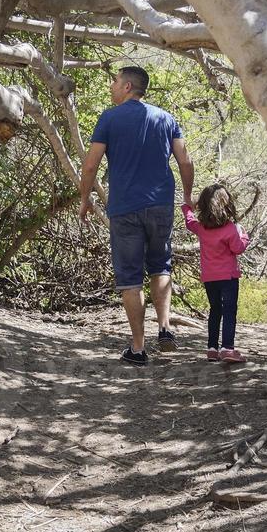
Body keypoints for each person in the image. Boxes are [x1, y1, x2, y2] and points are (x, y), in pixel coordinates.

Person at [79, 66, 194, 365]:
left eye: (115, 81)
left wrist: (85, 199)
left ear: (128, 86)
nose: (111, 85)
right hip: (160, 205)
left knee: (130, 278)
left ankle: (139, 347)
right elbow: (185, 161)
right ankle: (165, 328)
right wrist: (187, 196)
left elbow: (90, 166)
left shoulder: (109, 118)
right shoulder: (166, 118)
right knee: (161, 266)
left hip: (125, 208)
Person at [182, 183, 250, 364]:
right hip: (228, 277)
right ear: (227, 205)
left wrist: (187, 207)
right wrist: (245, 236)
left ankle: (212, 348)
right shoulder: (230, 229)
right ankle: (227, 348)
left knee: (215, 310)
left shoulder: (202, 228)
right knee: (229, 311)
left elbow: (190, 222)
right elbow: (238, 248)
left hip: (209, 278)